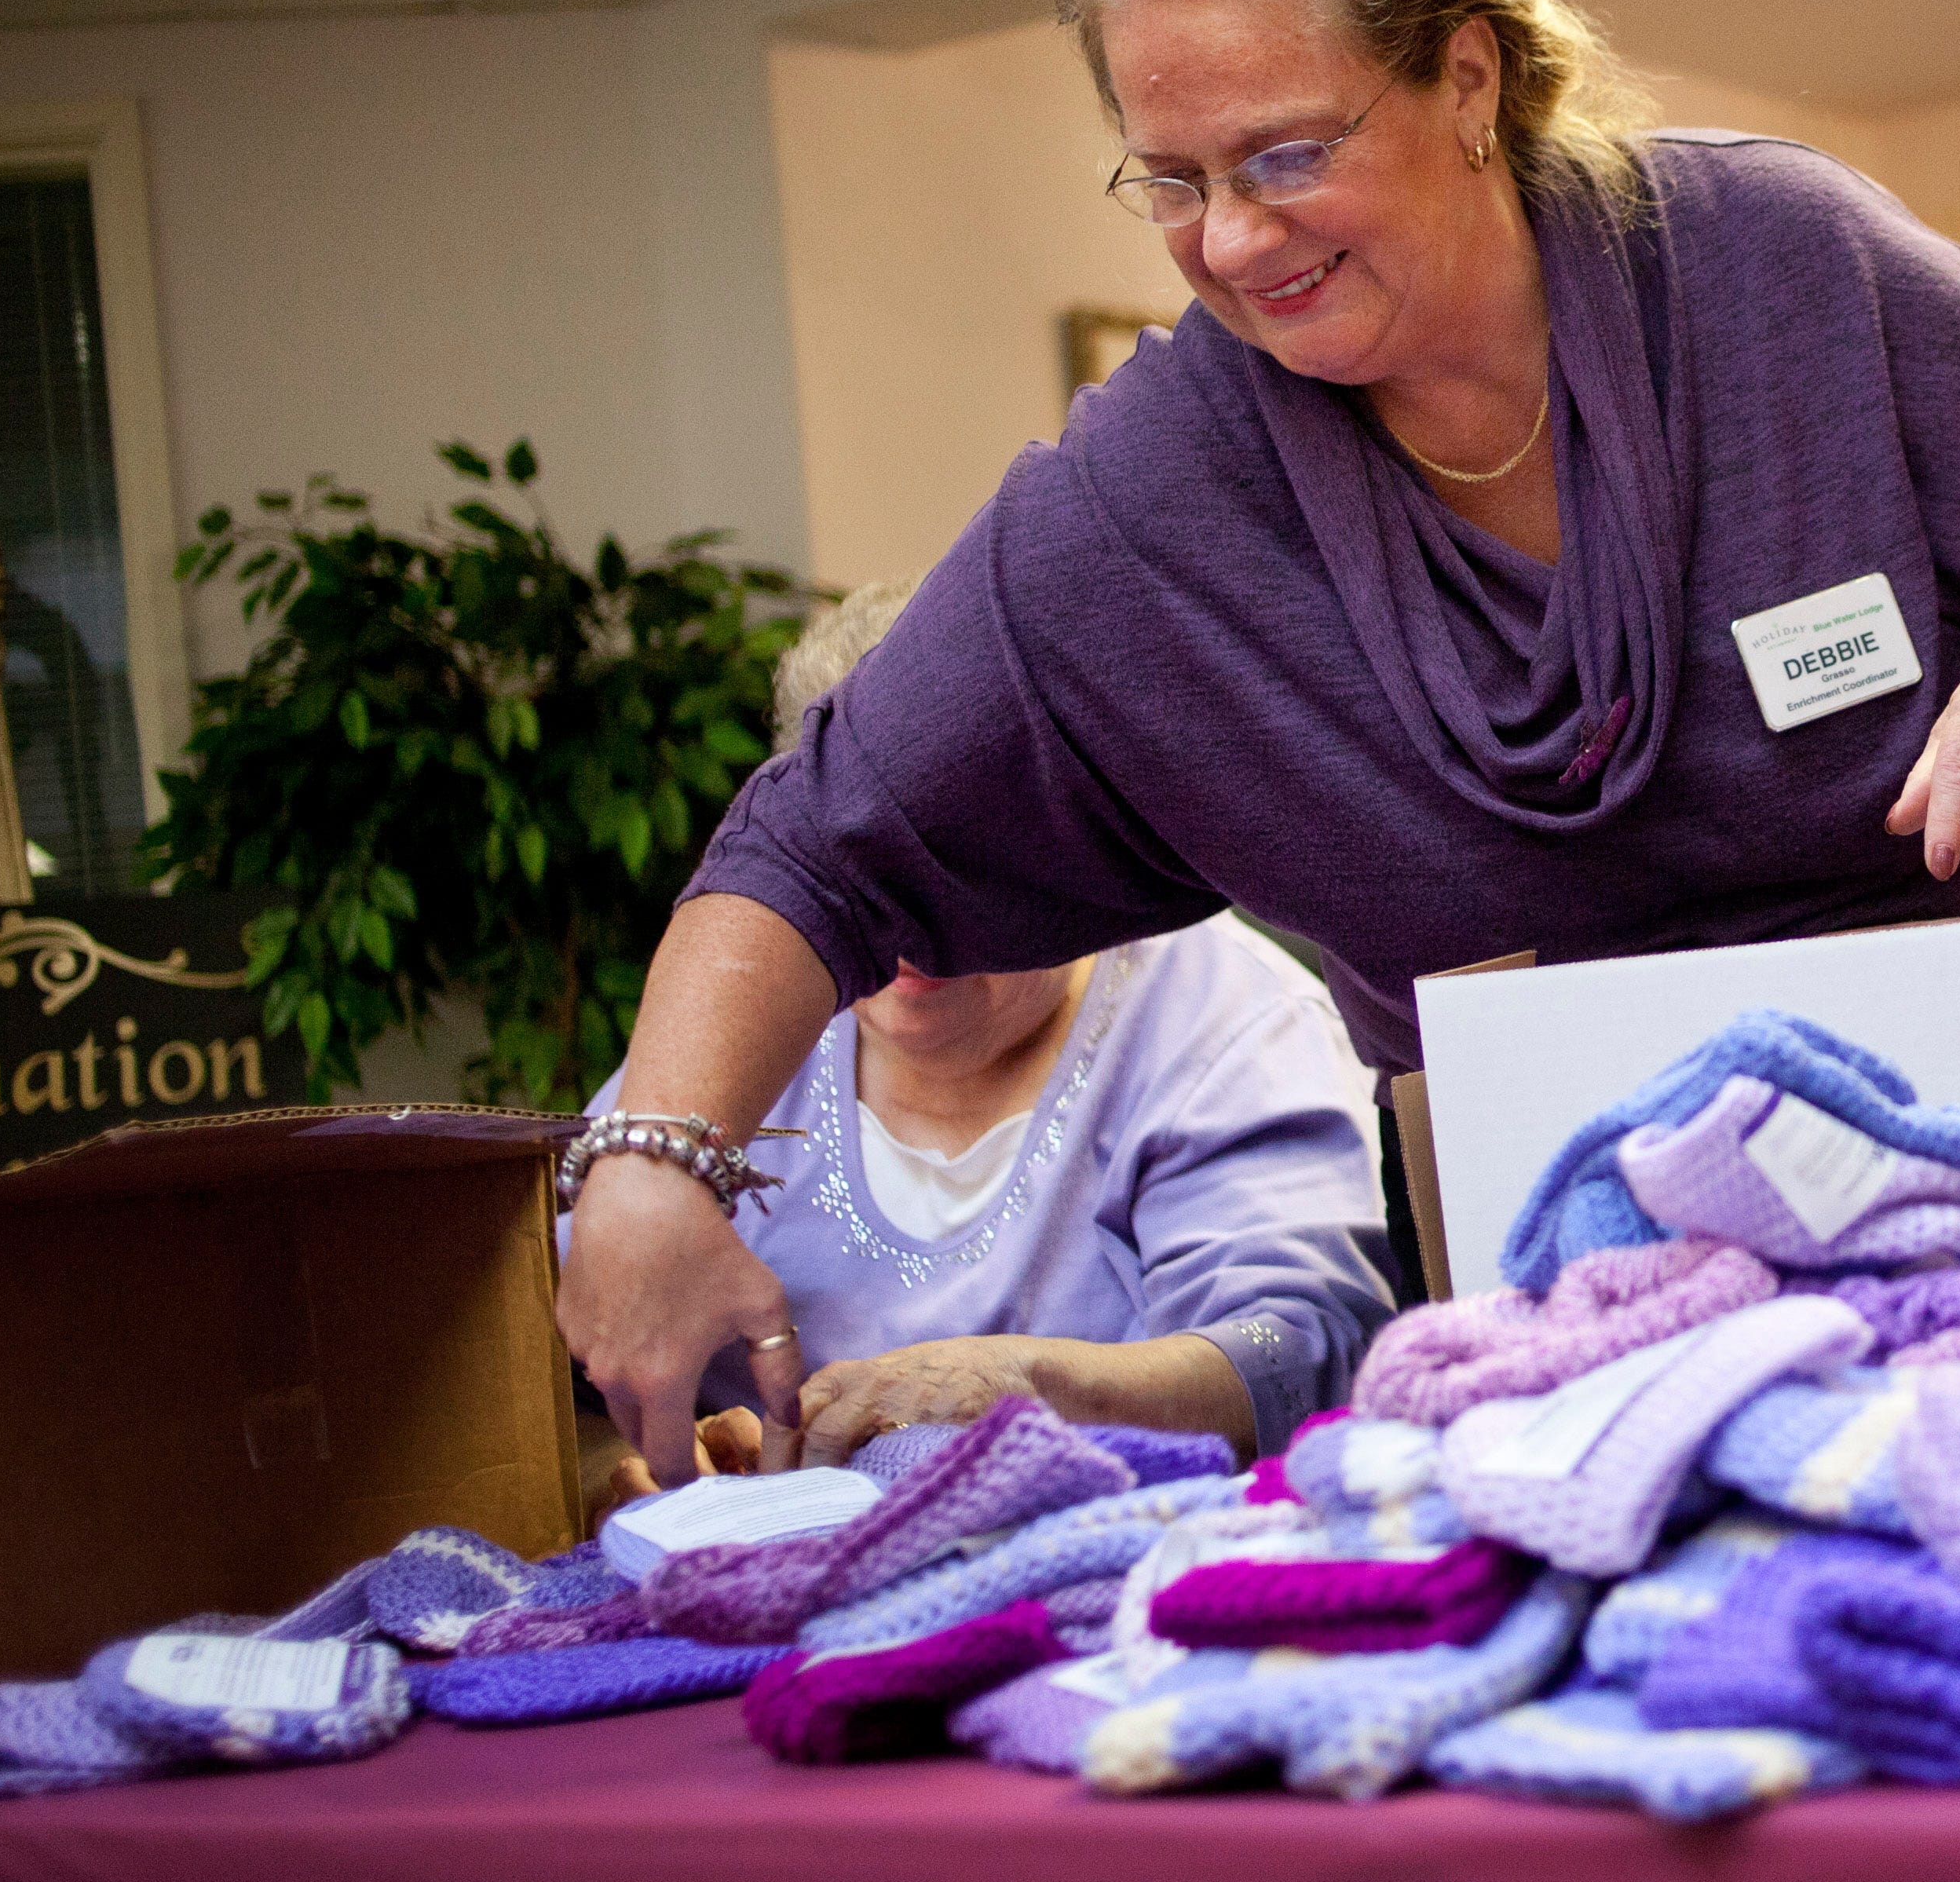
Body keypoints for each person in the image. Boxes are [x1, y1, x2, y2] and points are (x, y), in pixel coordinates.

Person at [561, 0, 1960, 1486]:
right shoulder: (1160, 499)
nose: (1230, 237)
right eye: (1169, 179)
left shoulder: (1782, 271)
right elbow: (819, 840)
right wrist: (649, 1165)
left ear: (1467, 72)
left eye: (1288, 154)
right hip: (1573, 1278)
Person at [581, 580, 1391, 1482]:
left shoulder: (1227, 1021)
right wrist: (649, 1450)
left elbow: (1301, 1355)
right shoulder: (748, 1022)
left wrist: (1027, 1384)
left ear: (1073, 835)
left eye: (960, 860)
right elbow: (553, 1311)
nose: (903, 924)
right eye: (852, 878)